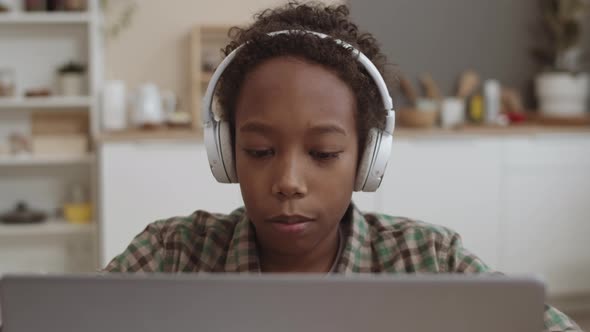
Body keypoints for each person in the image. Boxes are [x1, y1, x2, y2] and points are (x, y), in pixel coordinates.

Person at [103, 2, 580, 331]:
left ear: (367, 159)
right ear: (225, 154)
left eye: (324, 154)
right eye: (260, 151)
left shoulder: (428, 260)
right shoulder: (171, 256)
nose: (288, 183)